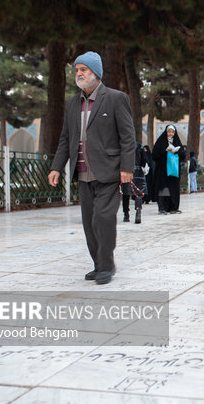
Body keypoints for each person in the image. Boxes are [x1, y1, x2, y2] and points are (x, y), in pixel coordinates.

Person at [47, 51, 135, 285]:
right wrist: (57, 167)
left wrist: (127, 166)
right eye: (76, 70)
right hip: (83, 173)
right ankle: (98, 264)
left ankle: (107, 265)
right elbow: (66, 138)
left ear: (95, 72)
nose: (79, 74)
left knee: (103, 218)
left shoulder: (116, 98)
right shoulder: (73, 103)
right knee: (89, 222)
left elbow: (128, 136)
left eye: (83, 69)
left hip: (108, 171)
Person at [152, 124, 186, 213]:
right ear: (166, 132)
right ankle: (162, 207)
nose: (170, 134)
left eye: (172, 132)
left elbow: (183, 155)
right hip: (162, 171)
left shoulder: (177, 142)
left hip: (173, 171)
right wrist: (165, 151)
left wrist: (177, 151)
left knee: (173, 189)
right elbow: (155, 154)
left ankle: (173, 207)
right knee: (163, 188)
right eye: (169, 132)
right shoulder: (161, 142)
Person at [122, 142, 148, 224]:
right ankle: (138, 211)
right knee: (138, 193)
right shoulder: (140, 147)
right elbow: (144, 160)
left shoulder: (124, 145)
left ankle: (126, 215)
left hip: (127, 170)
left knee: (126, 193)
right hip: (138, 172)